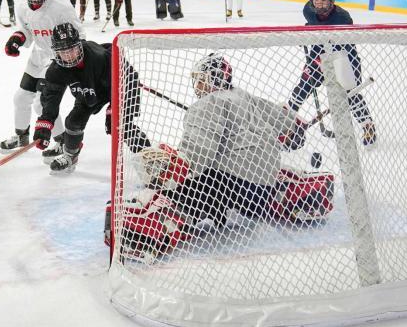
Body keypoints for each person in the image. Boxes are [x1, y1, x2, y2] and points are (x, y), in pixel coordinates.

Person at [112, 54, 325, 262]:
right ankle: (285, 193)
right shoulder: (242, 95)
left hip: (235, 187)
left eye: (201, 80)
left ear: (215, 78)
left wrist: (177, 167)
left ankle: (162, 224)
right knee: (225, 172)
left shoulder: (207, 104)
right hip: (262, 192)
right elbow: (280, 116)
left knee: (182, 188)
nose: (197, 86)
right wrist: (293, 128)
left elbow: (198, 152)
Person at [33, 23, 151, 174]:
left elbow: (129, 77)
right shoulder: (56, 70)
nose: (68, 55)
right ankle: (70, 155)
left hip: (116, 88)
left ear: (79, 45)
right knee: (73, 122)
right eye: (63, 52)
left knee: (121, 125)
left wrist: (114, 110)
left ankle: (148, 157)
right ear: (56, 52)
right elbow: (51, 97)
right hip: (88, 94)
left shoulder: (99, 57)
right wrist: (45, 124)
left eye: (72, 50)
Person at [0, 0, 80, 161]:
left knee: (41, 104)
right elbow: (27, 31)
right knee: (20, 99)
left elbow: (79, 34)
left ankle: (62, 141)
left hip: (57, 60)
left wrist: (69, 60)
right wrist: (17, 40)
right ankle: (21, 136)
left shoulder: (61, 6)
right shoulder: (23, 8)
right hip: (37, 58)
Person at [288, 0, 376, 146]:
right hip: (318, 52)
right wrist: (308, 33)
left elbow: (344, 44)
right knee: (304, 86)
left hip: (343, 56)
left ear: (331, 0)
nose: (318, 2)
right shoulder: (308, 9)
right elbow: (312, 23)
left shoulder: (342, 17)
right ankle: (284, 120)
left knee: (351, 93)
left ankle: (367, 125)